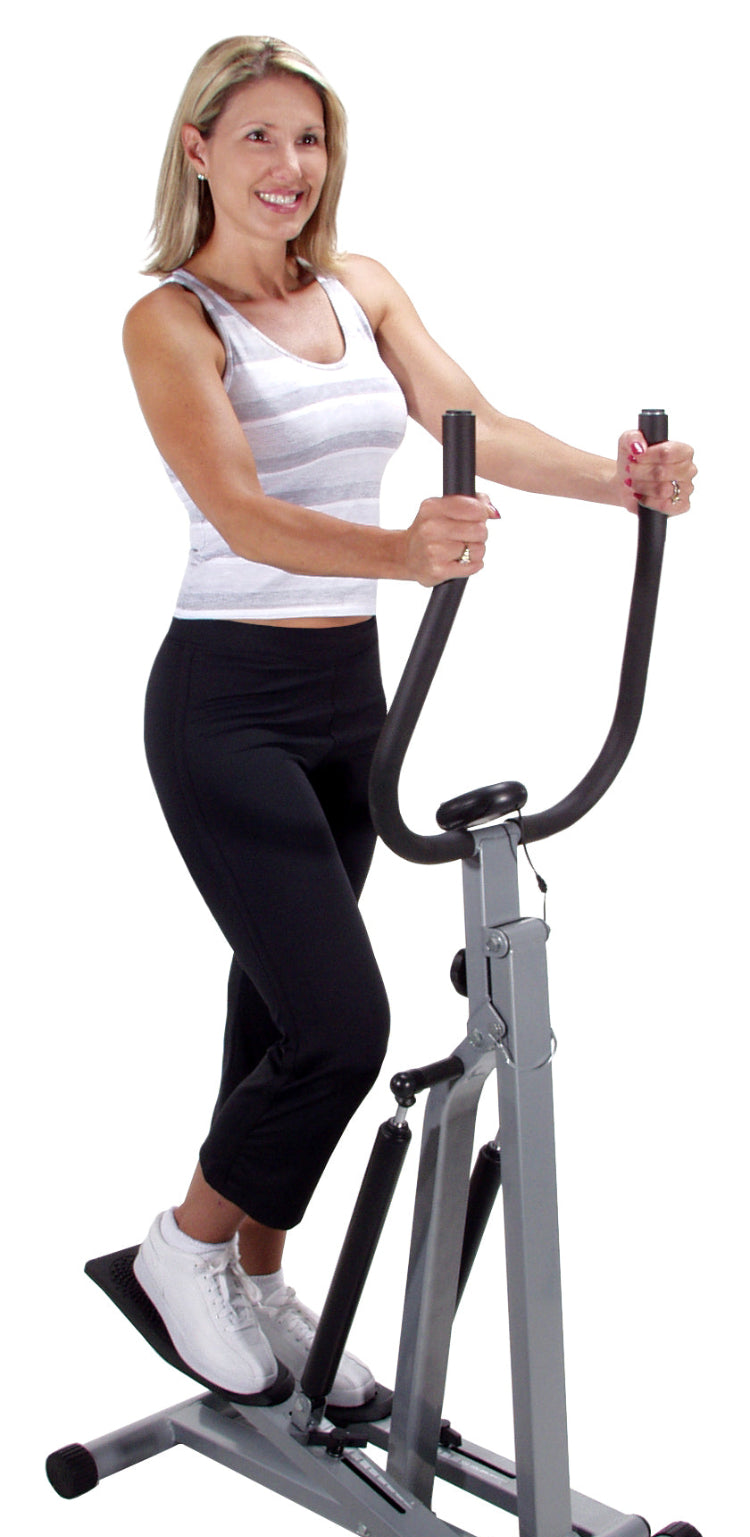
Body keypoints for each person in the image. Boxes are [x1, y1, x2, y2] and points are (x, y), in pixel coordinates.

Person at [123, 33, 696, 1406]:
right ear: (197, 148)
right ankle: (183, 1245)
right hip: (225, 703)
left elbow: (470, 424)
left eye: (307, 140)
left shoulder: (360, 286)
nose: (287, 167)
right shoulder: (169, 316)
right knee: (343, 1023)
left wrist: (619, 484)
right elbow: (240, 510)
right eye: (256, 137)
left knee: (275, 1008)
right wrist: (400, 553)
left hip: (347, 702)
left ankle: (258, 1277)